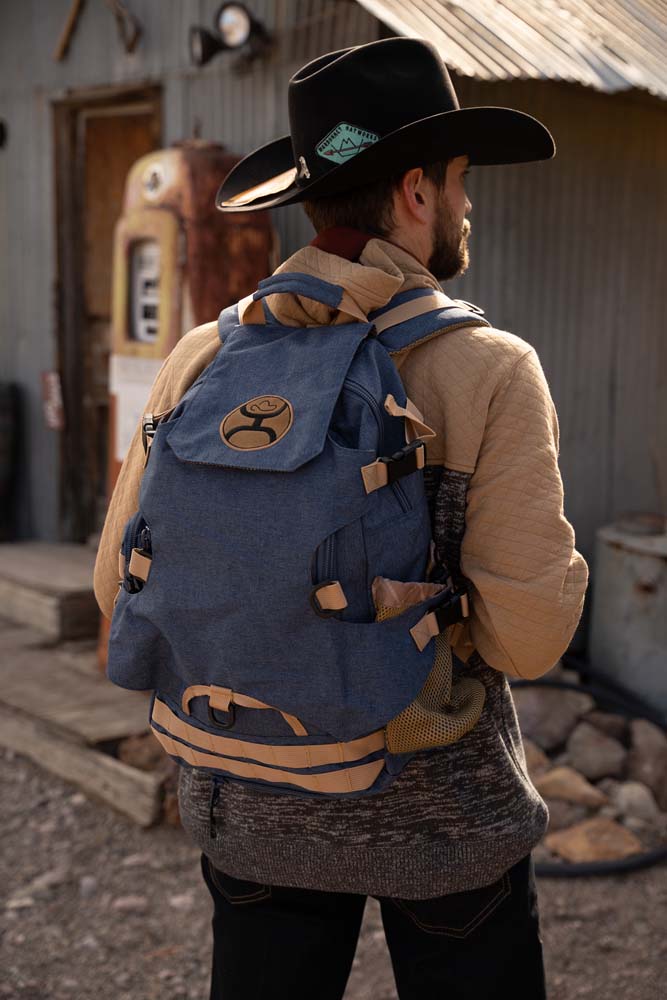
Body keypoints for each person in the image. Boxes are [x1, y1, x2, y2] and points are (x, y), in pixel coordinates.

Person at [94, 37, 589, 1000]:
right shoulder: (489, 370)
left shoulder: (204, 354)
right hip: (440, 824)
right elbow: (528, 641)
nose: (465, 203)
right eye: (458, 181)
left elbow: (119, 587)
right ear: (414, 193)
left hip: (249, 801)